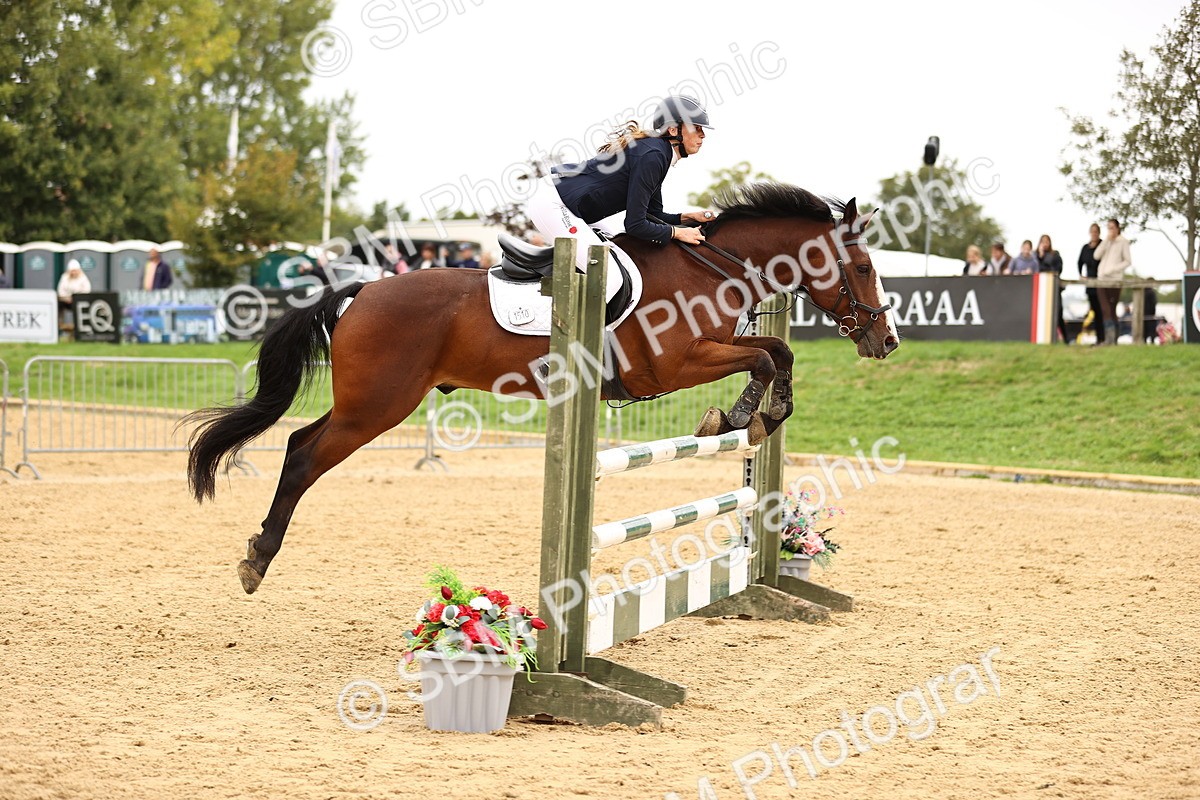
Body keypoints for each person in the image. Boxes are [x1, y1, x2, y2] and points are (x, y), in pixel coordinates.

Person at [526, 95, 717, 299]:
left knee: (624, 258)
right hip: (554, 204)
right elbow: (635, 225)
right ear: (673, 129)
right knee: (609, 277)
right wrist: (678, 233)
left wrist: (686, 218)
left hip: (570, 204)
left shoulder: (658, 153)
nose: (703, 135)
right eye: (696, 127)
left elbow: (653, 215)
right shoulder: (653, 156)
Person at [1093, 218, 1132, 345]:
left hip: (1115, 280)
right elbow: (1096, 256)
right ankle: (1109, 339)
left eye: (1112, 228)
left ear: (1117, 228)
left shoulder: (1123, 242)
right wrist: (1106, 241)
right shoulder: (1106, 242)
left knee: (1111, 309)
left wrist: (1114, 269)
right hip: (1102, 279)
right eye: (1108, 228)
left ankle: (1113, 339)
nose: (1110, 230)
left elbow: (1128, 261)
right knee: (1105, 309)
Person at [1036, 234, 1066, 342]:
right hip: (1041, 289)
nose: (1045, 244)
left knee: (1058, 312)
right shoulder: (1036, 256)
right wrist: (1040, 257)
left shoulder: (1055, 254)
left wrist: (1045, 263)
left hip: (1054, 287)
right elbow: (1037, 269)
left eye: (1046, 241)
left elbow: (1058, 269)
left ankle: (1065, 338)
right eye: (1043, 241)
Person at [1077, 223, 1103, 342]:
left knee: (1101, 311)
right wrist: (1081, 274)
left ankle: (1102, 337)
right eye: (1092, 231)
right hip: (1090, 284)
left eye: (1096, 231)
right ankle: (1098, 338)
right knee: (1094, 310)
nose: (1094, 234)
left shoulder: (1102, 245)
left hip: (1101, 283)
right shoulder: (1085, 248)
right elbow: (1079, 262)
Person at [57, 259, 92, 325]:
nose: (74, 273)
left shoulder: (83, 278)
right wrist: (67, 298)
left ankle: (79, 325)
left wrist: (76, 298)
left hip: (78, 301)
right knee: (58, 304)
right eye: (72, 271)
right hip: (66, 301)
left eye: (75, 271)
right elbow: (60, 290)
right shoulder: (64, 277)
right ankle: (59, 324)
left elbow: (87, 290)